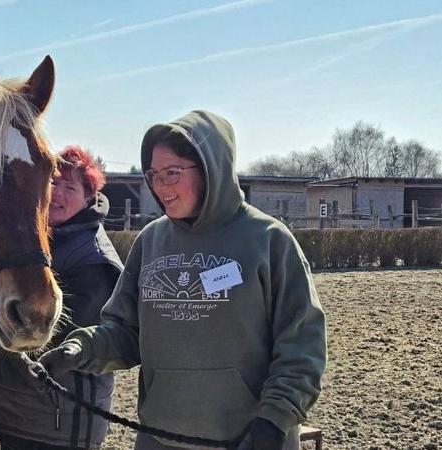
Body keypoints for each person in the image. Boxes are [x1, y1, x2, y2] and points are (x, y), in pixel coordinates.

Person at [39, 111, 327, 450]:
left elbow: (302, 344)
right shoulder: (150, 241)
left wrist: (275, 419)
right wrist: (81, 348)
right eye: (154, 175)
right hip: (160, 437)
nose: (160, 186)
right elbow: (125, 331)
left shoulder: (269, 241)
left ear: (210, 169)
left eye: (173, 173)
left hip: (248, 439)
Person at [0, 146, 124, 449]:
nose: (56, 193)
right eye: (52, 183)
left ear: (89, 198)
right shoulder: (36, 244)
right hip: (23, 413)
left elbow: (54, 335)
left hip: (59, 422)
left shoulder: (92, 260)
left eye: (69, 187)